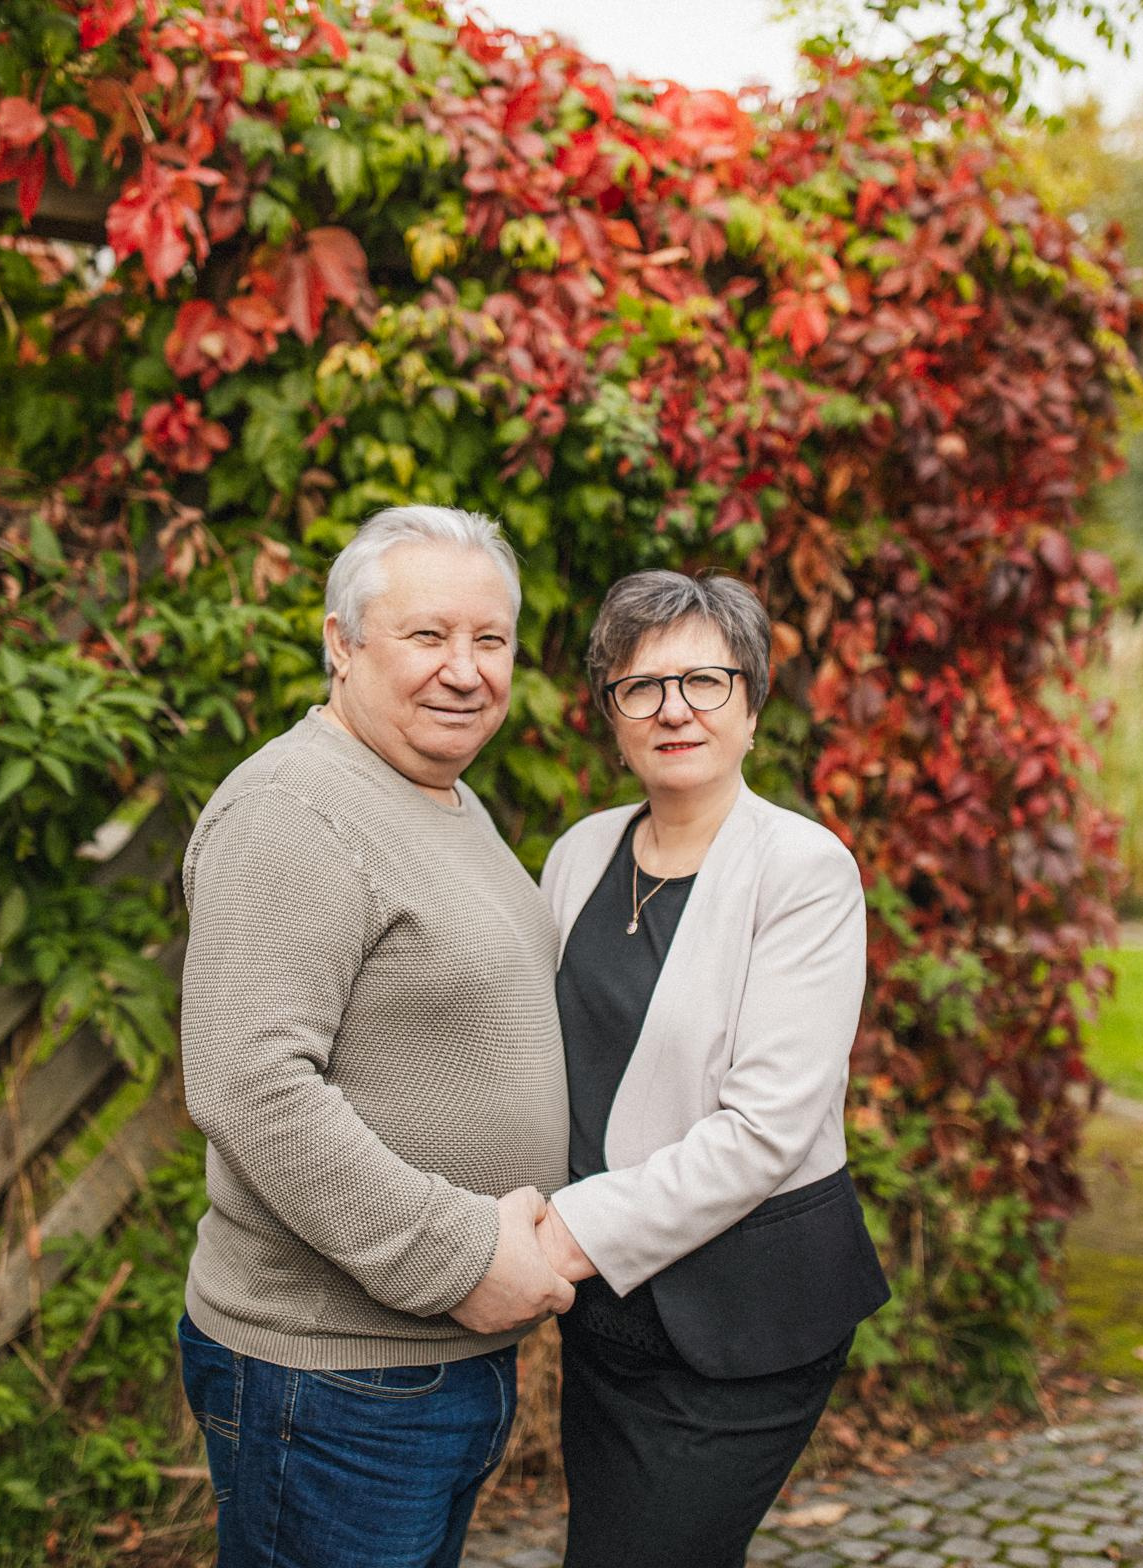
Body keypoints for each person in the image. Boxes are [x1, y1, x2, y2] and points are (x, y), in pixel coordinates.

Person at [175, 506, 575, 1568]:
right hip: (331, 1377)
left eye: (490, 640)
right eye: (427, 636)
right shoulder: (291, 808)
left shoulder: (439, 793)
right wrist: (459, 1256)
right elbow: (249, 1083)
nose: (465, 669)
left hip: (429, 1367)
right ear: (342, 644)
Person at [530, 570, 892, 1568]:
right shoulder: (580, 853)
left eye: (705, 680)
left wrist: (560, 1235)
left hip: (747, 1315)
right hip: (607, 1312)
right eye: (640, 685)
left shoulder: (804, 869)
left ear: (752, 701)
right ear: (611, 711)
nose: (674, 707)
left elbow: (767, 1129)